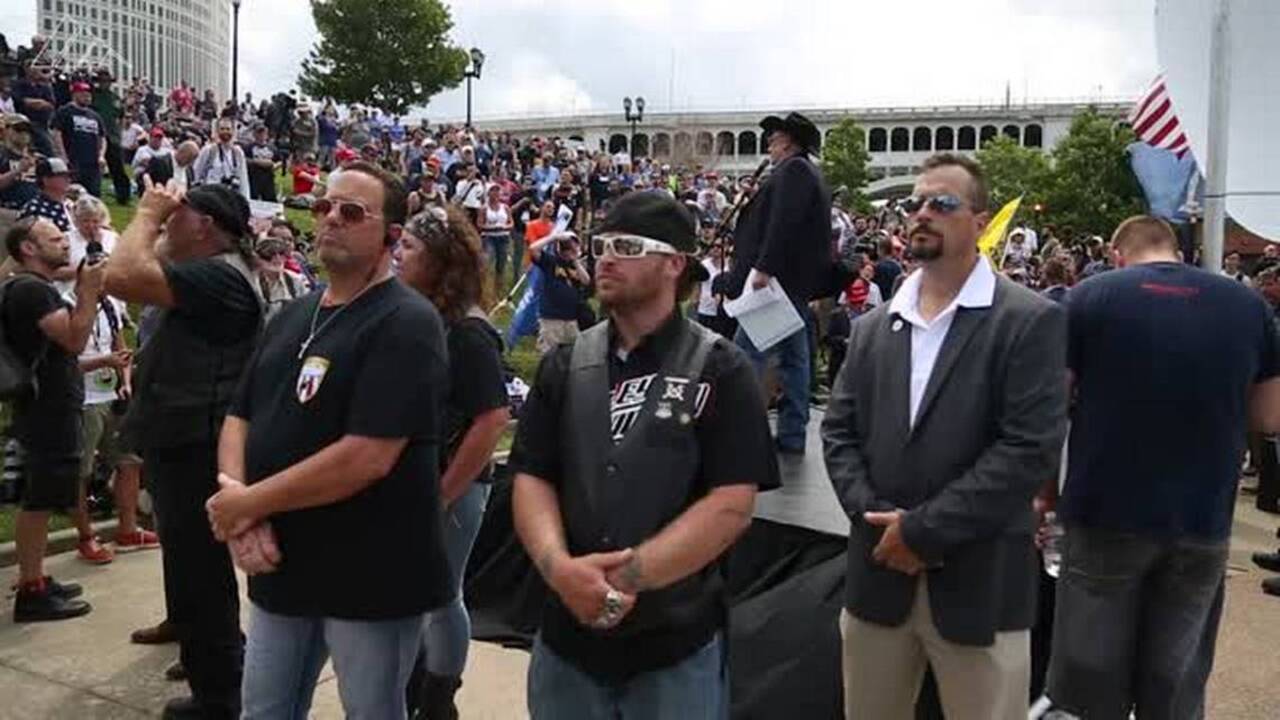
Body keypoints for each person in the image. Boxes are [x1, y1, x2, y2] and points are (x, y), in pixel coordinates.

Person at [510, 191, 779, 718]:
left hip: (674, 646)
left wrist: (627, 579)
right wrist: (559, 568)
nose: (605, 257)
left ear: (674, 264)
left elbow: (731, 504)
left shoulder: (721, 368)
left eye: (627, 246)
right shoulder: (564, 365)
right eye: (601, 244)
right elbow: (531, 476)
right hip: (566, 643)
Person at [822, 153, 1068, 720]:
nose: (922, 213)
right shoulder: (870, 329)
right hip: (877, 577)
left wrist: (923, 532)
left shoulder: (1028, 320)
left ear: (980, 221)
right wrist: (879, 520)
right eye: (915, 203)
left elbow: (1028, 449)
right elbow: (838, 433)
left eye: (943, 203)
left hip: (980, 590)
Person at [202, 161, 451, 719]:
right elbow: (240, 417)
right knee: (263, 710)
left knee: (371, 710)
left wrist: (249, 503)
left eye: (351, 212)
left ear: (390, 235)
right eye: (322, 207)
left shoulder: (408, 322)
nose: (330, 219)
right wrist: (239, 505)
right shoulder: (292, 314)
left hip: (371, 570)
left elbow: (367, 456)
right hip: (284, 560)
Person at [1045, 216, 1280, 718]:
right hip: (1202, 517)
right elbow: (1269, 416)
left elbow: (1047, 409)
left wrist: (1044, 496)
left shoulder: (1088, 298)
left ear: (1116, 252)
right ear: (1176, 249)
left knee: (1090, 685)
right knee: (1174, 685)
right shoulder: (1249, 306)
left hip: (1103, 512)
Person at [104, 180, 263, 719]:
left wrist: (146, 213)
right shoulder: (216, 274)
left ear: (206, 226)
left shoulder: (223, 276)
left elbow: (121, 275)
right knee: (192, 563)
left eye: (179, 213)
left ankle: (218, 696)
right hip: (183, 437)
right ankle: (208, 657)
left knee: (200, 568)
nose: (168, 219)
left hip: (196, 443)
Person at [396, 205, 512, 718]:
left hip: (455, 488)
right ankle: (416, 684)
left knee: (442, 597)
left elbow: (491, 420)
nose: (399, 254)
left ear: (442, 262)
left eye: (411, 248)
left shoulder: (468, 332)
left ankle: (439, 701)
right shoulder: (421, 316)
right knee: (415, 594)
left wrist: (444, 493)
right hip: (416, 482)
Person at [714, 112, 836, 455]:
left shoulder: (795, 171)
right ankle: (792, 433)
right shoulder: (796, 172)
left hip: (778, 282)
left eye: (775, 136)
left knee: (746, 354)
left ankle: (740, 431)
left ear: (790, 141)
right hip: (791, 284)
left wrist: (765, 267)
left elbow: (785, 222)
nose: (769, 142)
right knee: (794, 360)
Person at [5, 217, 107, 622]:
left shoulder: (32, 288)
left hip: (46, 407)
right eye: (53, 238)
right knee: (39, 500)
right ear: (28, 249)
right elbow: (74, 338)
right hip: (46, 411)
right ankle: (31, 591)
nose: (65, 243)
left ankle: (38, 578)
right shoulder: (31, 290)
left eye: (65, 237)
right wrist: (89, 292)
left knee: (44, 497)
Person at [64, 196, 158, 563]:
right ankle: (85, 536)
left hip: (113, 395)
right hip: (83, 398)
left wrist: (126, 378)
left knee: (130, 461)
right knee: (82, 471)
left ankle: (128, 526)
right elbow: (64, 362)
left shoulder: (111, 307)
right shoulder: (70, 307)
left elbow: (121, 344)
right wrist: (101, 361)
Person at [528, 230, 590, 355]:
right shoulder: (551, 261)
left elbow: (586, 281)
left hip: (571, 318)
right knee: (549, 354)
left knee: (572, 354)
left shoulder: (576, 266)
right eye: (565, 246)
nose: (568, 249)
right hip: (551, 318)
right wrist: (554, 237)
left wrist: (575, 260)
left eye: (572, 246)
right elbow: (533, 248)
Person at [51, 81, 107, 199]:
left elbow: (102, 137)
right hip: (73, 159)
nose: (87, 97)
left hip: (92, 163)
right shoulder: (65, 111)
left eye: (88, 94)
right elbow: (57, 133)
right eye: (83, 94)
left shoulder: (95, 116)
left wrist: (101, 155)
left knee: (93, 195)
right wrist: (62, 155)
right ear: (74, 94)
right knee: (72, 193)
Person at [91, 70, 132, 205]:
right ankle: (93, 194)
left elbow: (121, 116)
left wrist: (118, 132)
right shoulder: (93, 96)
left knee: (117, 167)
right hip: (96, 135)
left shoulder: (115, 98)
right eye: (101, 81)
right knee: (94, 165)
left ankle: (123, 196)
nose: (104, 84)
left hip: (112, 136)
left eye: (106, 81)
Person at [192, 117, 251, 201]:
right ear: (217, 131)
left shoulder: (238, 153)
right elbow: (196, 172)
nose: (225, 132)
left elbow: (243, 179)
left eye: (228, 129)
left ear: (233, 131)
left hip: (229, 197)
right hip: (210, 195)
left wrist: (245, 201)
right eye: (222, 129)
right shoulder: (208, 150)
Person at [253, 236, 308, 323]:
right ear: (257, 258)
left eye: (281, 253)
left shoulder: (297, 280)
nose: (277, 258)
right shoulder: (252, 283)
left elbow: (306, 310)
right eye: (269, 254)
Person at [20, 157, 73, 233]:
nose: (68, 179)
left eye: (68, 175)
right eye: (62, 176)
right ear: (45, 180)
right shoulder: (34, 209)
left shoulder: (71, 205)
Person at [0, 114, 39, 213]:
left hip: (35, 210)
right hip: (7, 209)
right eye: (19, 129)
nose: (24, 133)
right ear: (6, 130)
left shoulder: (37, 158)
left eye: (27, 130)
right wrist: (18, 171)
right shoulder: (2, 155)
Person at [479, 183, 513, 281]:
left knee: (501, 264)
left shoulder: (505, 207)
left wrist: (505, 227)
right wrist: (491, 228)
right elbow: (479, 225)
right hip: (489, 237)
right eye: (493, 190)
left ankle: (498, 284)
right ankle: (485, 282)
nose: (496, 193)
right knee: (487, 261)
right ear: (488, 193)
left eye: (497, 190)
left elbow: (511, 223)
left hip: (503, 237)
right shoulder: (484, 208)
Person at [243, 123, 278, 202]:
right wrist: (258, 162)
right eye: (259, 133)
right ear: (254, 134)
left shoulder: (272, 148)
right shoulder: (249, 147)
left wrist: (274, 165)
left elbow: (279, 160)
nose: (261, 135)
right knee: (253, 199)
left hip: (268, 178)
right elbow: (244, 160)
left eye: (263, 133)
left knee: (270, 199)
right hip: (254, 177)